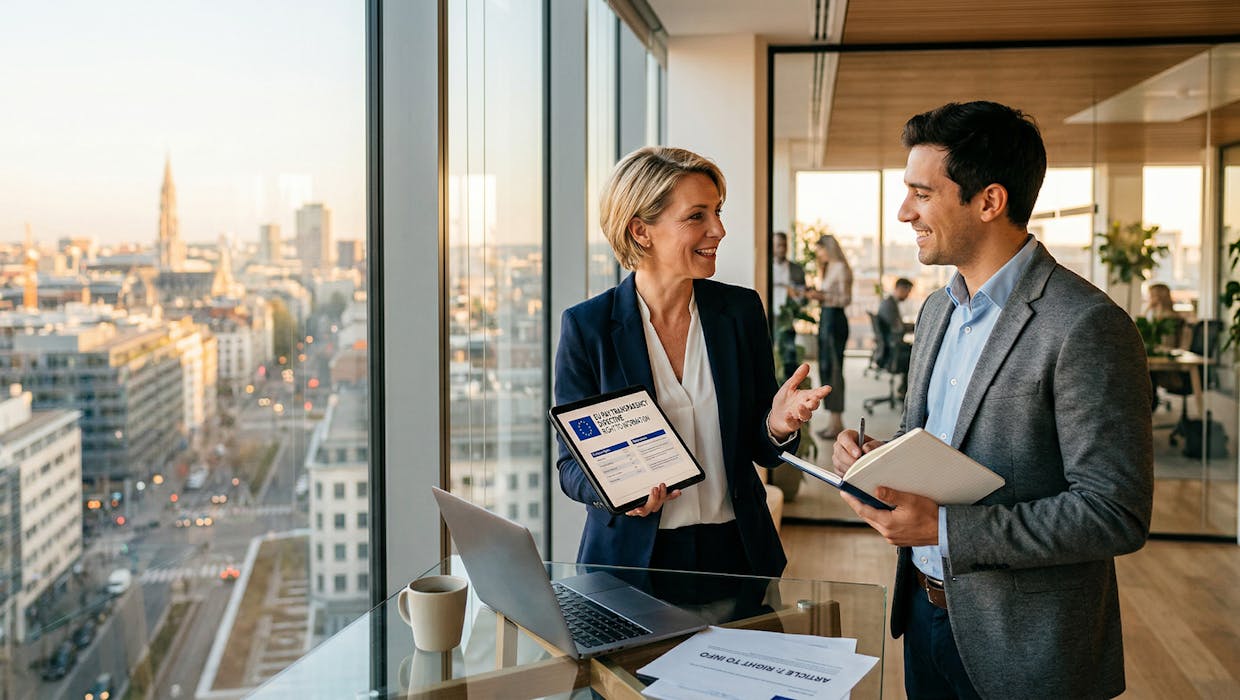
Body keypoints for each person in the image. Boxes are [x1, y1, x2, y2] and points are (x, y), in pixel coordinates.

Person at [832, 101, 1153, 699]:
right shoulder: (935, 311)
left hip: (1026, 648)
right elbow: (938, 451)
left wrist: (947, 530)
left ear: (989, 201)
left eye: (921, 194)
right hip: (925, 617)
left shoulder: (1085, 325)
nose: (905, 212)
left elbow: (1116, 513)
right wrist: (880, 459)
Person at [554, 146, 832, 579]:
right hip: (630, 563)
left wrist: (777, 425)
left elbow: (761, 448)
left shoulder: (739, 312)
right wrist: (617, 491)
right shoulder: (587, 327)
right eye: (697, 216)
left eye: (718, 212)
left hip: (738, 555)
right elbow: (571, 467)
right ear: (641, 230)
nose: (719, 229)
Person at [805, 234, 852, 439]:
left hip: (835, 320)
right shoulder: (827, 268)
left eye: (820, 250)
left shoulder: (840, 267)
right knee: (825, 367)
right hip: (826, 317)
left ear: (829, 248)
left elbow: (845, 299)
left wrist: (821, 296)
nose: (819, 254)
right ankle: (833, 421)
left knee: (833, 368)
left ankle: (837, 423)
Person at [771, 231, 806, 383]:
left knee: (789, 358)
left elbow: (804, 298)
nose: (782, 249)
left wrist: (797, 297)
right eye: (778, 245)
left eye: (784, 245)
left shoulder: (796, 269)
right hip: (768, 317)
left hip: (787, 319)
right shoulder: (764, 269)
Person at [876, 277, 914, 396]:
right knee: (917, 356)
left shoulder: (889, 302)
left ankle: (904, 390)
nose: (908, 296)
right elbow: (898, 328)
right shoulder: (889, 305)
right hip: (892, 351)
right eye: (907, 292)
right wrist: (917, 326)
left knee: (914, 349)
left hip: (890, 347)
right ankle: (905, 392)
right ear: (900, 289)